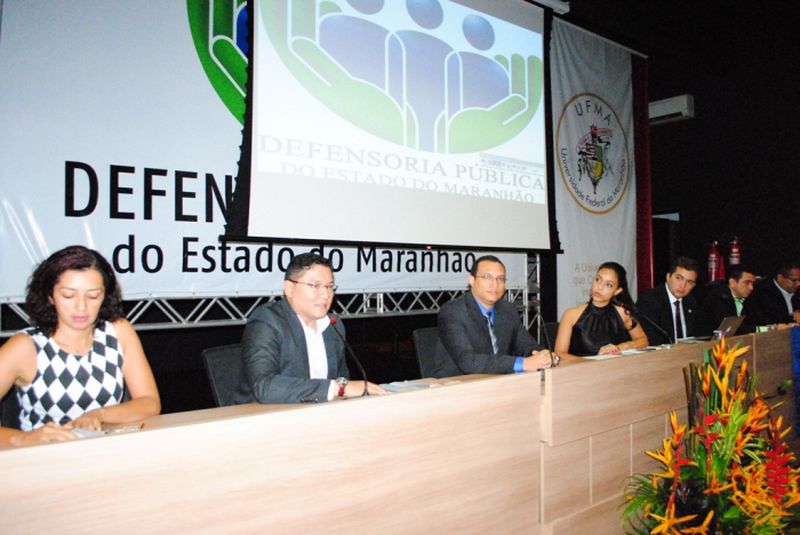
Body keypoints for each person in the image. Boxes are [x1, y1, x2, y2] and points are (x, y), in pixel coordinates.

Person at [0, 245, 160, 447]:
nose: (82, 306)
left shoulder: (118, 332)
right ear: (50, 296)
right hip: (42, 462)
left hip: (104, 454)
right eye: (68, 295)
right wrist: (23, 439)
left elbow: (149, 401)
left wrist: (99, 415)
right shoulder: (25, 346)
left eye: (93, 296)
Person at [233, 253, 386, 404]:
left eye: (329, 287)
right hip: (261, 419)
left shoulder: (333, 325)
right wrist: (339, 389)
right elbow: (264, 387)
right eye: (315, 286)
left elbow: (341, 379)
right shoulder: (267, 321)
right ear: (289, 288)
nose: (325, 294)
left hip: (317, 415)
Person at [432, 255, 554, 378]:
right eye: (487, 277)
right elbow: (469, 362)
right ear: (471, 280)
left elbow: (526, 345)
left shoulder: (508, 309)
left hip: (498, 382)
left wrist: (542, 356)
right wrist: (523, 363)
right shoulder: (452, 311)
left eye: (500, 279)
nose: (494, 284)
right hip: (457, 386)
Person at [554, 262, 648, 359]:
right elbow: (559, 354)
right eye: (598, 279)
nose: (599, 287)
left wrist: (620, 347)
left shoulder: (623, 313)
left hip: (614, 369)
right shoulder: (571, 314)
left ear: (617, 291)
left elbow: (643, 340)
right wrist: (594, 363)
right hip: (582, 370)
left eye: (608, 285)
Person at [635, 257, 703, 345]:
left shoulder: (691, 302)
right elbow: (651, 340)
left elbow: (698, 335)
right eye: (679, 278)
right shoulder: (649, 301)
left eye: (689, 282)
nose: (683, 286)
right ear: (668, 277)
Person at [742, 260, 800, 327]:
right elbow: (769, 320)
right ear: (780, 278)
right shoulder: (761, 294)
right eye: (794, 280)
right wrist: (793, 318)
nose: (798, 284)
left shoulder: (797, 291)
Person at [701, 266, 756, 334]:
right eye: (747, 283)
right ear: (732, 282)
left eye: (752, 283)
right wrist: (760, 329)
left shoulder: (749, 299)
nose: (751, 288)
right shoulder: (718, 296)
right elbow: (729, 328)